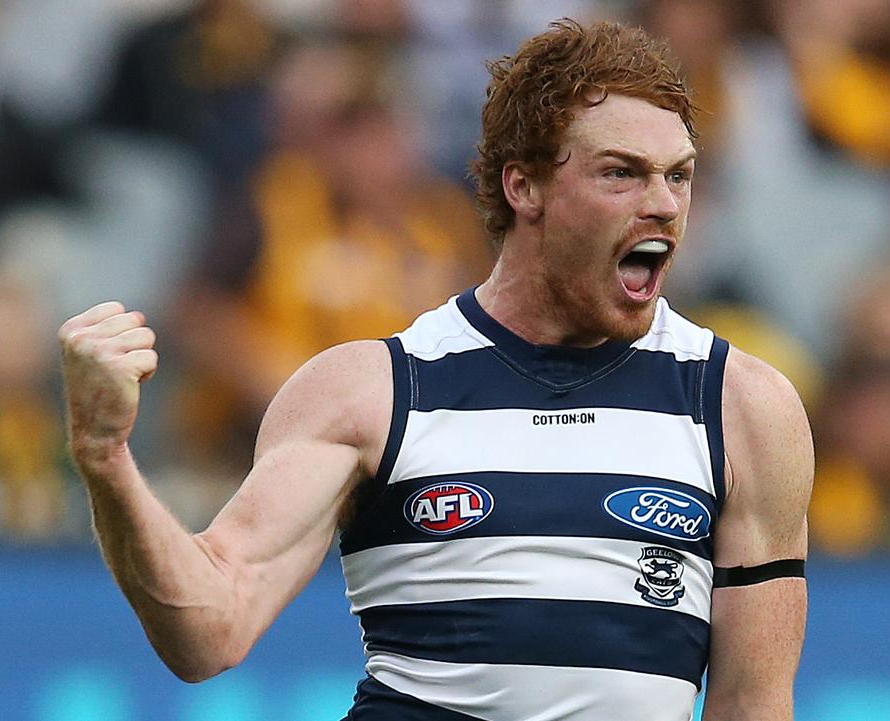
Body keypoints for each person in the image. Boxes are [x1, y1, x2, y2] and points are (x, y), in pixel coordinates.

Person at [59, 19, 813, 721]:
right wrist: (106, 458)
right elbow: (209, 628)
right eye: (621, 173)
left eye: (678, 177)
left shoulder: (741, 406)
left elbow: (753, 705)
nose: (662, 206)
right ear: (525, 188)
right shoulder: (374, 391)